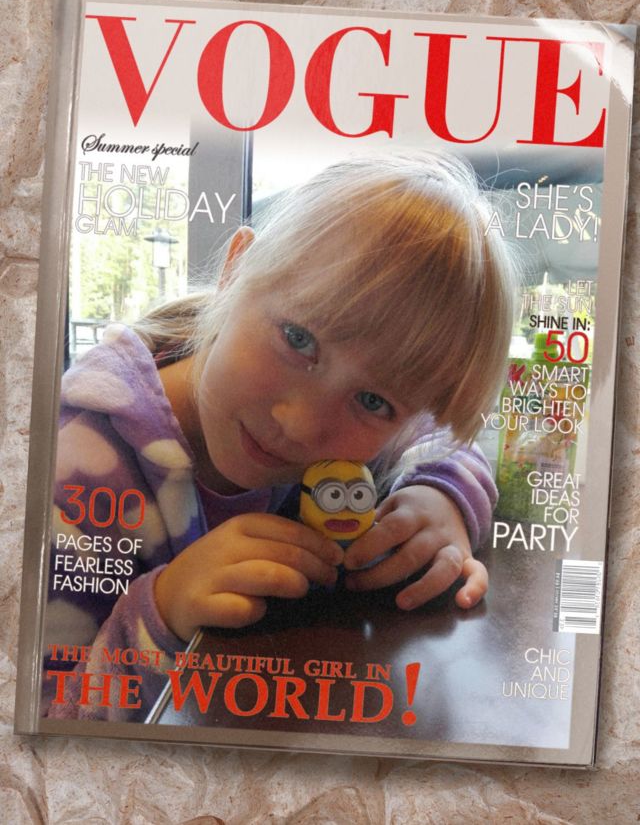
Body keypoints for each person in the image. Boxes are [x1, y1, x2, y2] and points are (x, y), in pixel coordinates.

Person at [45, 151, 514, 720]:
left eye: (373, 401)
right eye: (298, 339)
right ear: (236, 269)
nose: (300, 424)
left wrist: (442, 495)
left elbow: (447, 434)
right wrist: (161, 612)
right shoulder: (77, 472)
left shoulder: (383, 430)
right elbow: (40, 722)